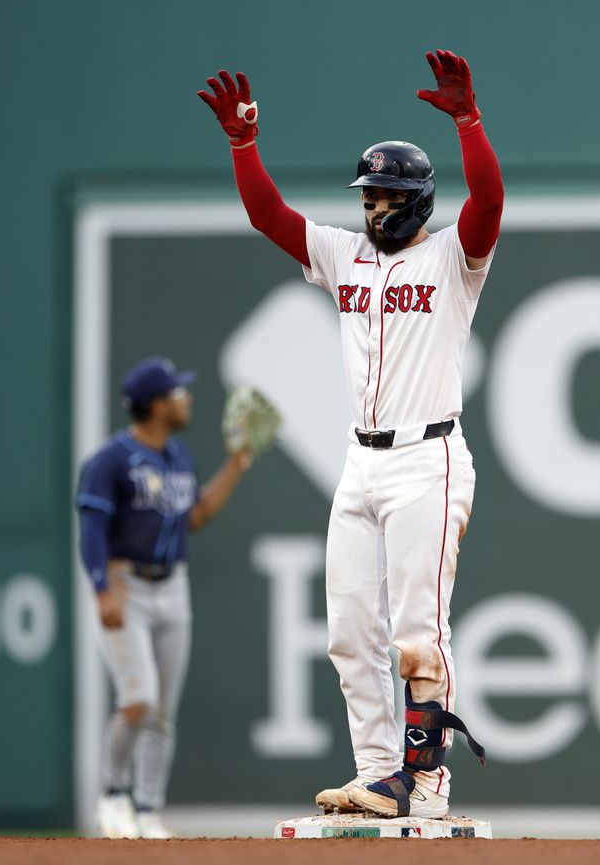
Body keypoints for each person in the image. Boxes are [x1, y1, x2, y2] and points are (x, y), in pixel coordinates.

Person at [197, 50, 503, 819]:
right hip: (360, 459)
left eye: (388, 195)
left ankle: (427, 782)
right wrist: (243, 145)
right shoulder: (345, 255)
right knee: (346, 631)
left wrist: (469, 122)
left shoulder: (449, 259)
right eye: (369, 195)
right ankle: (377, 772)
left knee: (416, 633)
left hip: (426, 457)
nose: (374, 208)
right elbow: (269, 215)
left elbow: (490, 202)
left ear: (418, 199)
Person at [76, 357, 254, 839]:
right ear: (156, 405)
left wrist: (237, 465)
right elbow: (91, 529)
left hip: (173, 586)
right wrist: (101, 589)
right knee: (138, 698)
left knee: (161, 713)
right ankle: (112, 797)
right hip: (125, 584)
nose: (186, 399)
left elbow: (194, 517)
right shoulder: (110, 460)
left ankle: (149, 809)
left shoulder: (178, 456)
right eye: (178, 393)